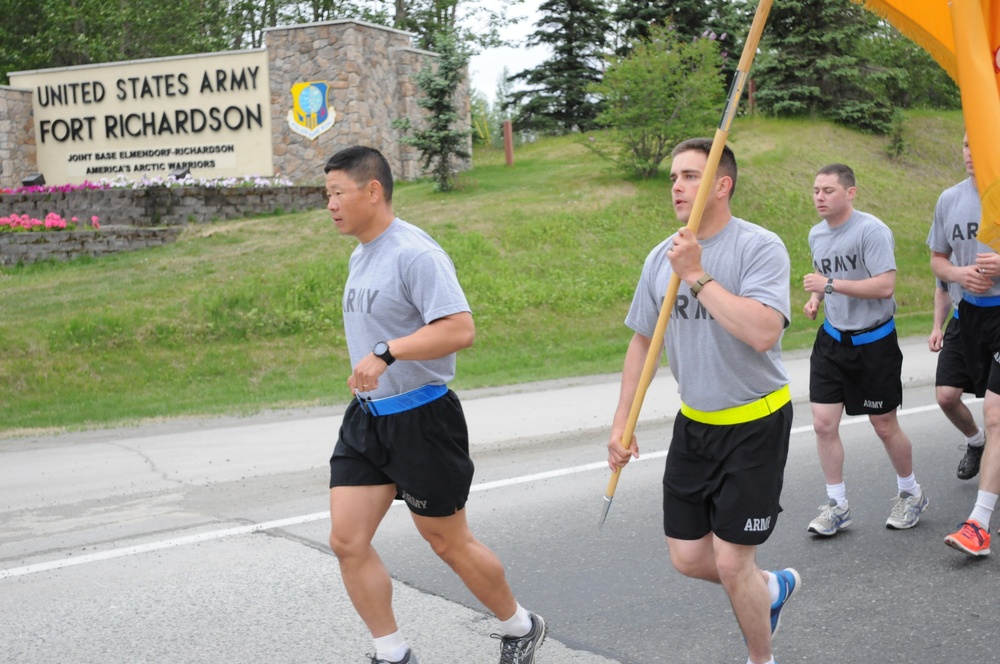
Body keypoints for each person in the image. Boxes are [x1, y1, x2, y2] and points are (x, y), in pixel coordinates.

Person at [324, 146, 546, 663]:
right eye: (327, 195)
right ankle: (392, 652)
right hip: (368, 418)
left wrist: (387, 352)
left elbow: (459, 329)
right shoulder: (362, 253)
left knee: (447, 542)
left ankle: (520, 625)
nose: (330, 205)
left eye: (337, 192)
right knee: (347, 540)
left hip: (422, 418)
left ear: (372, 190)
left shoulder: (415, 254)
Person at [607, 138, 799, 664]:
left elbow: (762, 332)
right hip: (695, 425)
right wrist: (621, 423)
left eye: (691, 175)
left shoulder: (760, 247)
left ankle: (762, 658)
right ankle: (771, 589)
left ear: (722, 184)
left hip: (755, 423)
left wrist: (696, 274)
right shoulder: (659, 257)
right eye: (674, 177)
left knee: (733, 562)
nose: (676, 186)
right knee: (689, 558)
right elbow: (643, 341)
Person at [803, 163, 928, 537]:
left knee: (884, 425)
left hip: (874, 343)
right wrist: (815, 297)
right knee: (824, 424)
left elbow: (884, 287)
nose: (819, 198)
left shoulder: (871, 231)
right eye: (815, 190)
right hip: (831, 341)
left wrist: (829, 285)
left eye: (828, 190)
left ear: (851, 192)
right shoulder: (816, 234)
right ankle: (837, 505)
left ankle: (911, 493)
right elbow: (823, 279)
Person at [929, 134, 1000, 556]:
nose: (971, 153)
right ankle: (976, 444)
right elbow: (938, 259)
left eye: (981, 145)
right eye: (966, 144)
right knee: (945, 396)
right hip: (967, 312)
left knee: (995, 413)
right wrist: (958, 276)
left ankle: (979, 523)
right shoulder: (949, 198)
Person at [927, 276, 985, 480]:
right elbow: (943, 287)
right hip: (962, 322)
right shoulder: (947, 247)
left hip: (995, 318)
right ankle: (977, 441)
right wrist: (937, 327)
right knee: (946, 396)